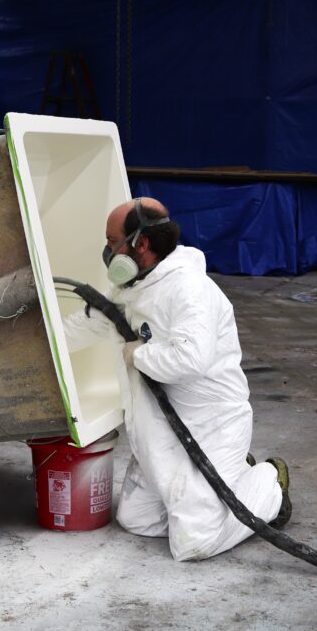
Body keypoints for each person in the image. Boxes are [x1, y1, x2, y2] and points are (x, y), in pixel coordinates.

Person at [63, 197, 291, 561]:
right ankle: (222, 487)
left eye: (110, 241)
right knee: (136, 519)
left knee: (193, 541)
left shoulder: (189, 289)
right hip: (165, 428)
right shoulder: (131, 288)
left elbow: (190, 360)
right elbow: (82, 327)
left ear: (140, 243)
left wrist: (136, 353)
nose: (106, 250)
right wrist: (31, 337)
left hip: (213, 425)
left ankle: (268, 484)